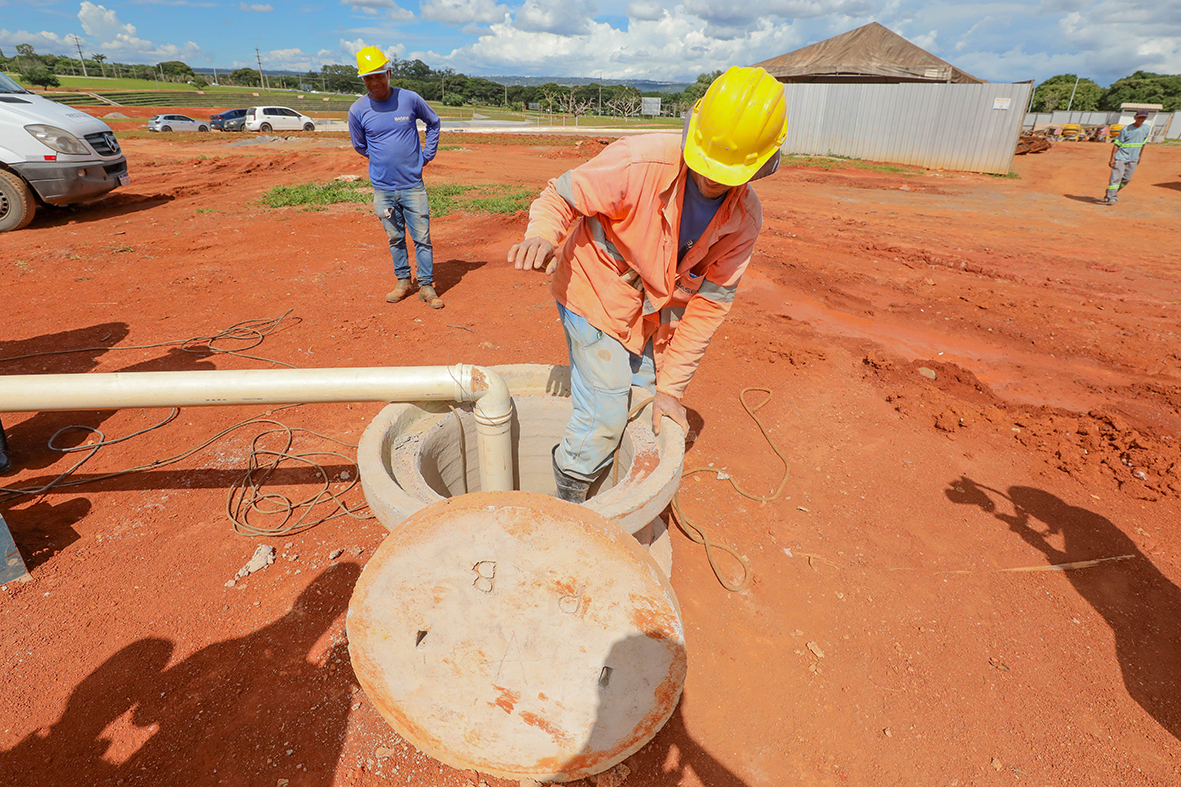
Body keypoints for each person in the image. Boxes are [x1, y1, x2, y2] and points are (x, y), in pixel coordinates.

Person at [507, 66, 787, 503]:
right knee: (604, 410)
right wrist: (542, 234)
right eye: (708, 163)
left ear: (764, 165)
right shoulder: (640, 162)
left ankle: (612, 485)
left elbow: (709, 307)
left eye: (730, 172)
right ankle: (568, 500)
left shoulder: (743, 220)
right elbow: (560, 195)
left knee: (646, 396)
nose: (713, 178)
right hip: (594, 284)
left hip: (650, 311)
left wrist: (672, 391)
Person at [348, 46, 444, 308]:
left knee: (422, 238)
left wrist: (426, 155)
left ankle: (426, 285)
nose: (374, 81)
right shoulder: (358, 110)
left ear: (388, 73)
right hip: (383, 188)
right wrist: (383, 160)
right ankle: (403, 281)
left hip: (413, 186)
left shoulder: (410, 99)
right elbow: (360, 145)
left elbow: (433, 123)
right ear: (363, 80)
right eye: (368, 77)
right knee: (394, 237)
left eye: (379, 75)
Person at [1103, 108, 1151, 205]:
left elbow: (1143, 144)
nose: (1141, 120)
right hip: (1121, 157)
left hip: (1133, 159)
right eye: (1139, 117)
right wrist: (1112, 158)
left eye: (1143, 118)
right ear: (1135, 117)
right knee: (1116, 177)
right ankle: (1112, 198)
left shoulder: (1146, 128)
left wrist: (1140, 156)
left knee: (1126, 179)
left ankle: (1111, 192)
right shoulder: (1126, 129)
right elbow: (1116, 144)